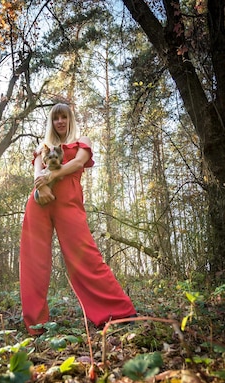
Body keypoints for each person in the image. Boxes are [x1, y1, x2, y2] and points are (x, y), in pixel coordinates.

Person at [19, 103, 137, 335]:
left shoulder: (82, 141)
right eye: (56, 118)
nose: (60, 121)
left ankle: (117, 313)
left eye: (64, 117)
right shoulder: (43, 147)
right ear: (51, 122)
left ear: (70, 119)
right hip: (40, 201)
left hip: (69, 202)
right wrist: (41, 188)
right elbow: (36, 170)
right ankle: (36, 324)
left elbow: (77, 163)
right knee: (33, 261)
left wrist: (51, 174)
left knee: (85, 256)